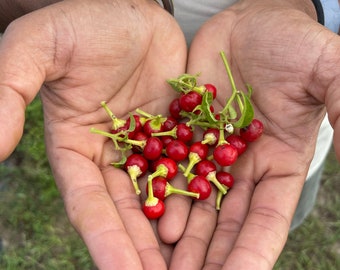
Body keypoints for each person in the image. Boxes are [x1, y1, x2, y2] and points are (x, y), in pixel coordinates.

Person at [0, 0, 339, 269]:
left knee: (267, 209)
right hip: (124, 48)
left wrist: (303, 6)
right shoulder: (186, 137)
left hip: (281, 101)